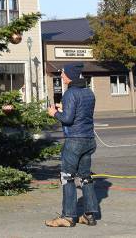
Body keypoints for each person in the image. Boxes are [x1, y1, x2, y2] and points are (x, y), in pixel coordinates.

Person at [45, 63, 100, 228]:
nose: (61, 76)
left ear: (70, 75)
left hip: (75, 140)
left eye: (63, 73)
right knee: (85, 177)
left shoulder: (69, 93)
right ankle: (89, 215)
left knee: (67, 177)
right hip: (89, 139)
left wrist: (54, 113)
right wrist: (65, 108)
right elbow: (81, 112)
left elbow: (68, 119)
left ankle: (68, 217)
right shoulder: (89, 92)